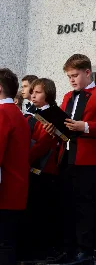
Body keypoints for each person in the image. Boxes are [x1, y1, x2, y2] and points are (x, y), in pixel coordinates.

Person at [44, 54, 96, 264]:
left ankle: (85, 252)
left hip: (87, 159)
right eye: (69, 76)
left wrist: (85, 126)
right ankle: (68, 250)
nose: (72, 80)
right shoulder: (67, 96)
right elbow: (65, 128)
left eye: (75, 75)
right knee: (66, 203)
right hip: (66, 155)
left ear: (87, 73)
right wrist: (54, 128)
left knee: (84, 206)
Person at [17, 78, 61, 263]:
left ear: (48, 94)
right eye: (32, 92)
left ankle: (38, 252)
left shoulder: (53, 115)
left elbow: (44, 144)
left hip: (44, 169)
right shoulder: (30, 114)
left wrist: (21, 160)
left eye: (38, 92)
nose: (33, 95)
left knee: (40, 212)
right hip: (30, 167)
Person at [0, 68, 30, 265]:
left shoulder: (2, 113)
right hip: (17, 188)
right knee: (7, 244)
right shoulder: (19, 114)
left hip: (4, 190)